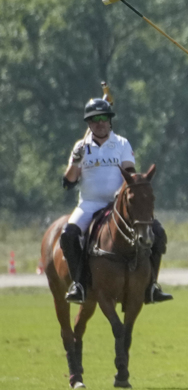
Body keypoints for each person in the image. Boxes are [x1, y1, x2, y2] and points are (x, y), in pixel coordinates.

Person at [61, 97, 171, 304]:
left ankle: (152, 285)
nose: (100, 123)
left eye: (104, 118)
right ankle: (79, 284)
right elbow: (68, 182)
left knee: (157, 232)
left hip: (117, 205)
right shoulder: (81, 147)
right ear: (89, 124)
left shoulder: (121, 144)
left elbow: (130, 174)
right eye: (94, 119)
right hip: (89, 204)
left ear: (110, 121)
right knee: (69, 234)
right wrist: (75, 162)